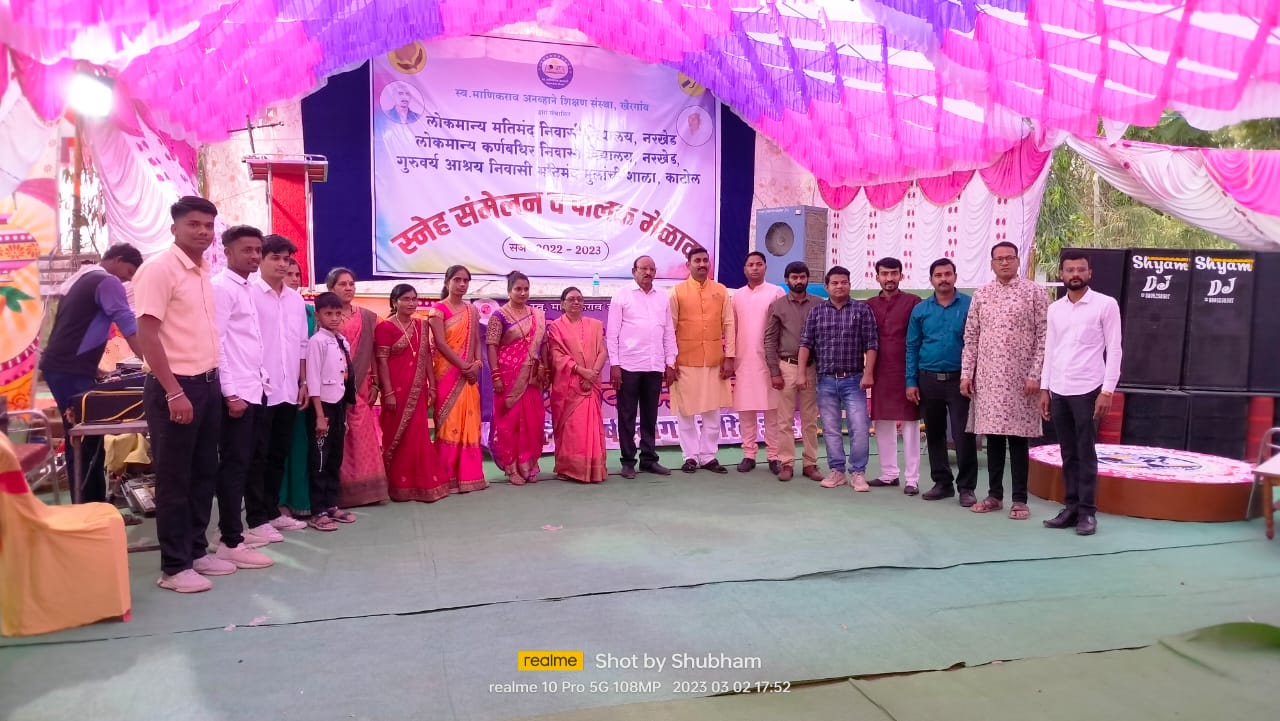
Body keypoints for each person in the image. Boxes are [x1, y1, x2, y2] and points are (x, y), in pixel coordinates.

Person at [133, 196, 271, 594]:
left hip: (207, 383)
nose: (203, 232)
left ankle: (196, 551)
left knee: (203, 473)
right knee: (175, 479)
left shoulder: (201, 271)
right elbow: (147, 334)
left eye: (208, 225)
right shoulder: (159, 269)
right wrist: (174, 391)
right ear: (174, 227)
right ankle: (174, 567)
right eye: (193, 224)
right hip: (176, 385)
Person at [40, 243, 144, 503]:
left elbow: (74, 329)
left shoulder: (80, 280)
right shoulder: (107, 281)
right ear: (118, 260)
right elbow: (127, 324)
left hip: (65, 367)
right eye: (129, 272)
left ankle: (93, 501)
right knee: (83, 437)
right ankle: (88, 505)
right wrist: (150, 362)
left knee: (86, 436)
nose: (127, 280)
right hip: (69, 370)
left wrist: (93, 368)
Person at [961, 242, 1048, 521]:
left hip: (1022, 380)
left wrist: (1036, 374)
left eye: (1010, 258)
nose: (1005, 263)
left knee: (1018, 439)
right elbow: (971, 336)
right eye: (999, 259)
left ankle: (1019, 499)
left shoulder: (1034, 292)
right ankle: (994, 495)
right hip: (988, 378)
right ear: (992, 263)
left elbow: (1045, 335)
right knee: (994, 437)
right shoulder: (982, 294)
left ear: (1018, 261)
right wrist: (966, 373)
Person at [210, 225, 282, 558]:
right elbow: (218, 343)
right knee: (234, 464)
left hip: (255, 387)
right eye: (247, 250)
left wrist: (262, 378)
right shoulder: (221, 288)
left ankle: (237, 530)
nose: (254, 256)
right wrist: (230, 393)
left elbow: (250, 340)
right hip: (237, 391)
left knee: (252, 461)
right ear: (227, 252)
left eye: (257, 250)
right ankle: (229, 540)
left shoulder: (247, 287)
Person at [1039, 250, 1123, 536]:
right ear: (1061, 274)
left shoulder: (1105, 305)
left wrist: (1107, 391)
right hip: (1058, 389)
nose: (1075, 274)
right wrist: (1044, 388)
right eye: (1070, 270)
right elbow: (1050, 350)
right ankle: (1071, 508)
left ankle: (1087, 512)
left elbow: (1115, 349)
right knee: (1067, 452)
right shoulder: (1055, 309)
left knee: (1086, 452)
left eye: (1080, 269)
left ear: (1089, 273)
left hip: (1088, 389)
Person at [242, 234, 309, 540]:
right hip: (258, 390)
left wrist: (303, 381)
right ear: (261, 260)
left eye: (287, 259)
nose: (282, 265)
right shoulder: (249, 295)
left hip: (288, 388)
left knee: (279, 452)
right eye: (275, 258)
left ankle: (271, 511)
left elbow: (302, 344)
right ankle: (255, 518)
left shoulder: (296, 300)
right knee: (256, 455)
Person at [798, 266, 878, 492]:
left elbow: (872, 343)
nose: (839, 286)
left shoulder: (862, 310)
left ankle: (858, 473)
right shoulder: (817, 312)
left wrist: (869, 373)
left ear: (849, 285)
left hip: (854, 379)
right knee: (830, 428)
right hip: (825, 380)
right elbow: (805, 343)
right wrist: (801, 372)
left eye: (844, 282)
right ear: (827, 286)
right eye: (835, 283)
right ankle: (837, 471)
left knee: (859, 427)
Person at [906, 259, 979, 506]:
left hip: (961, 380)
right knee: (934, 433)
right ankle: (942, 483)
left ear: (955, 277)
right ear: (931, 280)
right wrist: (911, 381)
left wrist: (973, 376)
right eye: (938, 275)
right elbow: (912, 346)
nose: (943, 279)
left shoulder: (970, 305)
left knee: (963, 434)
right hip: (928, 379)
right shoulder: (921, 310)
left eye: (948, 274)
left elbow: (977, 343)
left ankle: (967, 488)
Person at [374, 284, 449, 502]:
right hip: (396, 391)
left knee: (418, 436)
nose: (411, 303)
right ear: (394, 301)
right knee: (396, 435)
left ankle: (422, 483)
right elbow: (382, 362)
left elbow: (425, 357)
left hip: (418, 390)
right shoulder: (385, 327)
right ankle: (398, 485)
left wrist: (432, 385)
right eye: (406, 299)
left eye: (414, 299)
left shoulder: (421, 326)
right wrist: (388, 392)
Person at [607, 256, 677, 479]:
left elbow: (668, 332)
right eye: (643, 268)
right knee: (627, 415)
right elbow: (612, 334)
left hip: (654, 365)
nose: (648, 272)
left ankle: (648, 459)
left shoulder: (662, 297)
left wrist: (670, 362)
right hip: (628, 365)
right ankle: (628, 461)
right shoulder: (621, 295)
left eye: (652, 269)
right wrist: (615, 364)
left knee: (650, 415)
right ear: (633, 271)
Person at [325, 268, 388, 509]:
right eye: (342, 284)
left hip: (362, 385)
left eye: (351, 284)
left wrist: (376, 383)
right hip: (333, 385)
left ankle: (369, 491)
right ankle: (340, 494)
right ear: (331, 288)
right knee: (339, 435)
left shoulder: (368, 317)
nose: (349, 288)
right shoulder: (326, 317)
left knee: (362, 434)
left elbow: (373, 352)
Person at [670, 246, 735, 474]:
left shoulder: (720, 290)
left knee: (712, 411)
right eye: (697, 260)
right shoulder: (677, 292)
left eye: (705, 260)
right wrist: (670, 361)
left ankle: (708, 456)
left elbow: (729, 324)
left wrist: (730, 356)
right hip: (685, 360)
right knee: (686, 412)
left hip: (714, 360)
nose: (702, 264)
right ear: (688, 265)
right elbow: (670, 328)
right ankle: (690, 456)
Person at [428, 265, 488, 493]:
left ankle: (469, 476)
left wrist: (477, 364)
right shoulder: (438, 310)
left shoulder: (472, 311)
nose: (462, 284)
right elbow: (441, 344)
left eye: (465, 281)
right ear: (447, 282)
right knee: (449, 424)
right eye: (457, 280)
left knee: (469, 422)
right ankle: (447, 477)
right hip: (447, 374)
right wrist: (464, 366)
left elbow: (477, 341)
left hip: (469, 376)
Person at [865, 257, 922, 494]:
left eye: (894, 273)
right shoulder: (869, 305)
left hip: (908, 370)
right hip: (880, 371)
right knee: (882, 422)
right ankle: (889, 474)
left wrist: (914, 375)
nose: (889, 278)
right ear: (877, 276)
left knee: (910, 423)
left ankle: (912, 479)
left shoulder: (914, 302)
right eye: (885, 274)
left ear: (901, 275)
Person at [764, 261, 824, 482]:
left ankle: (810, 463)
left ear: (807, 278)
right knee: (784, 420)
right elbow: (770, 340)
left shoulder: (819, 304)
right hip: (786, 366)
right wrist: (774, 371)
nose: (798, 281)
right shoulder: (777, 306)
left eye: (802, 277)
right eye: (794, 277)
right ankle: (786, 463)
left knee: (810, 418)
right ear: (787, 280)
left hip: (811, 367)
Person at [487, 271, 547, 485]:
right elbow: (491, 346)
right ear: (509, 291)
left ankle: (528, 465)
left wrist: (545, 369)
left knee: (532, 422)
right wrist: (495, 374)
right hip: (507, 377)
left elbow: (544, 344)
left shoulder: (537, 315)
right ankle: (511, 467)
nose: (522, 293)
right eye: (518, 289)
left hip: (531, 377)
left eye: (526, 289)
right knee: (508, 424)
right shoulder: (499, 316)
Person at [305, 292, 356, 531]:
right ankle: (318, 510)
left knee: (335, 457)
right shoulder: (316, 342)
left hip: (338, 406)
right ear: (318, 315)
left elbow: (345, 377)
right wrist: (319, 415)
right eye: (328, 314)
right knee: (320, 459)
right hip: (322, 406)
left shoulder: (341, 341)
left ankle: (332, 504)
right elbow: (313, 379)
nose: (334, 318)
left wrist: (343, 415)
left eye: (338, 313)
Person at [546, 286, 608, 483]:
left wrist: (592, 374)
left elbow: (602, 352)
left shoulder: (594, 325)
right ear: (562, 304)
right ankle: (569, 469)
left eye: (579, 299)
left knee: (589, 426)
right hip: (569, 385)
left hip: (590, 383)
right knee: (572, 428)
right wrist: (582, 372)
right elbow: (557, 356)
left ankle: (592, 469)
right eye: (571, 299)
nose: (576, 302)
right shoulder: (555, 327)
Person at [731, 251, 784, 473]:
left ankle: (774, 456)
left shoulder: (776, 292)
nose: (755, 268)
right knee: (746, 410)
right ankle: (749, 454)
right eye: (751, 265)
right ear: (744, 269)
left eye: (759, 264)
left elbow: (782, 327)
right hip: (744, 360)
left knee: (772, 411)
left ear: (765, 267)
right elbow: (731, 328)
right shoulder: (736, 296)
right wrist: (730, 357)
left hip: (770, 361)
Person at [278, 257, 314, 516]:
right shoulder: (266, 303)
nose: (293, 278)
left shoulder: (309, 311)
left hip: (304, 385)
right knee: (278, 444)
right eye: (288, 273)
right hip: (275, 386)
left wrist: (305, 382)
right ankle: (278, 501)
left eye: (297, 274)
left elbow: (308, 348)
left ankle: (300, 499)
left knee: (300, 443)